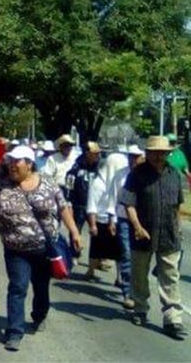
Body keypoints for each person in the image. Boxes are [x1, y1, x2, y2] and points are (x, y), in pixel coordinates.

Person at [0, 146, 82, 351]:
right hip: (15, 249)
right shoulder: (2, 187)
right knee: (18, 287)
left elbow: (63, 208)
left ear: (29, 164)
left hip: (45, 249)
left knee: (41, 286)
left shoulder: (48, 184)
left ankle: (39, 314)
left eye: (16, 162)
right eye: (10, 161)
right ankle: (15, 331)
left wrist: (75, 232)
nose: (12, 165)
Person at [120, 135, 188, 340]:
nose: (159, 156)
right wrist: (137, 226)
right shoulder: (136, 174)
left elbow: (177, 204)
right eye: (154, 152)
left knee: (170, 275)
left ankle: (172, 318)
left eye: (163, 153)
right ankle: (140, 308)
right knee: (139, 273)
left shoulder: (174, 174)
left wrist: (178, 229)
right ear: (147, 153)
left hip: (168, 233)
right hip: (143, 233)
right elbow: (128, 203)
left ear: (168, 154)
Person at [107, 145, 145, 309]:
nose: (133, 159)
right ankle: (128, 292)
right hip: (123, 219)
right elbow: (112, 197)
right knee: (127, 255)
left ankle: (140, 292)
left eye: (136, 156)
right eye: (131, 156)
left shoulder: (145, 175)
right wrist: (111, 219)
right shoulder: (120, 175)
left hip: (142, 221)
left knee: (141, 258)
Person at [85, 152, 127, 281]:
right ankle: (90, 271)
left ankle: (119, 277)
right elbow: (92, 205)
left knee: (120, 251)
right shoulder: (98, 183)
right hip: (101, 221)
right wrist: (92, 225)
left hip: (117, 221)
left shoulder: (123, 181)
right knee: (96, 249)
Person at [65, 141, 101, 261]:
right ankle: (74, 254)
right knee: (76, 230)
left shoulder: (99, 168)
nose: (97, 156)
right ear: (87, 153)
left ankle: (97, 259)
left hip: (95, 205)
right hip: (79, 204)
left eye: (98, 153)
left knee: (98, 232)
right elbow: (69, 186)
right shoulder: (75, 168)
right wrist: (68, 202)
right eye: (94, 153)